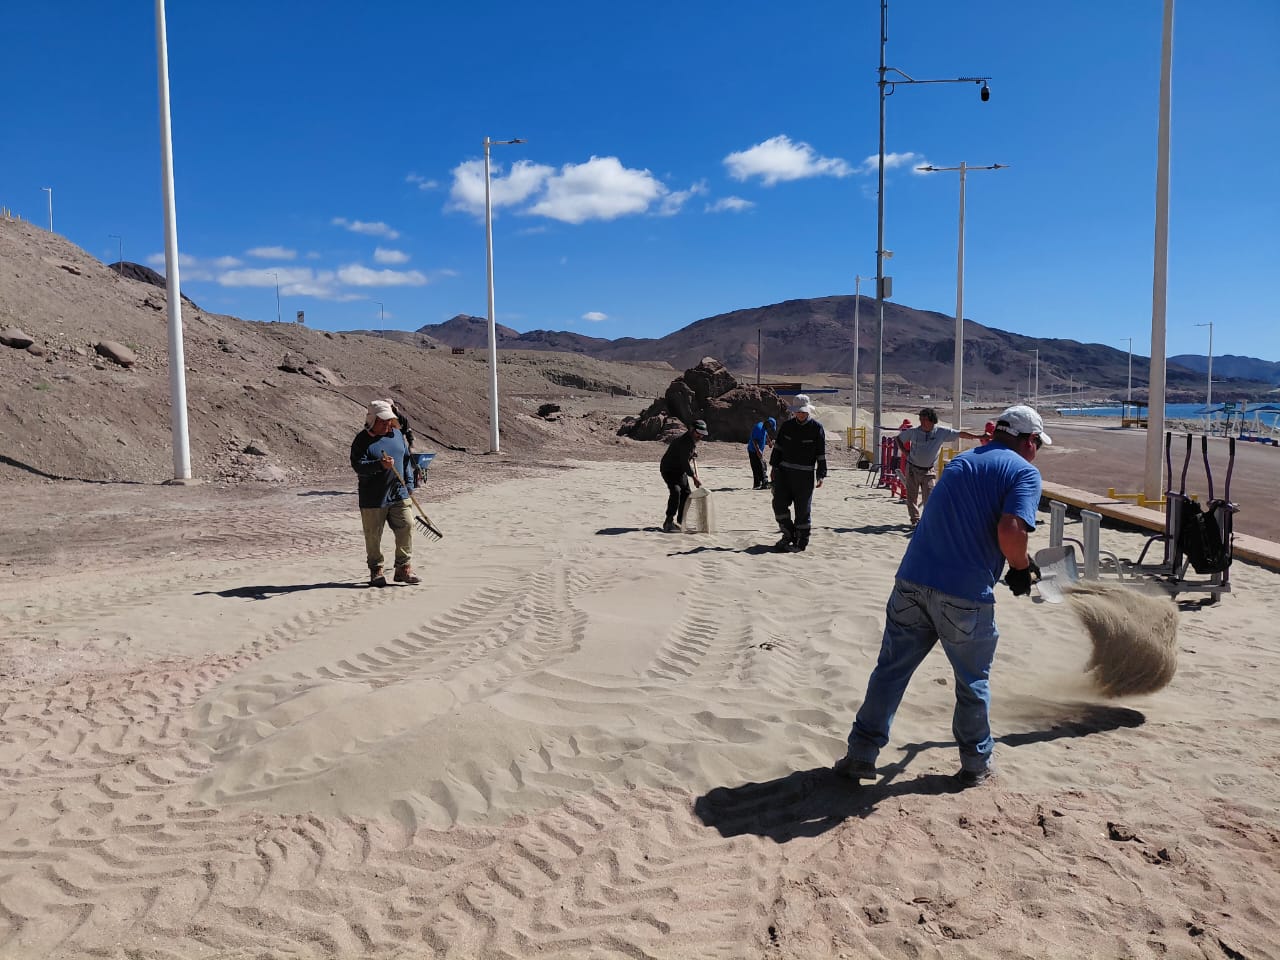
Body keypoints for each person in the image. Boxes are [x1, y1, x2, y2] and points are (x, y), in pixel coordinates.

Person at [835, 404, 1051, 788]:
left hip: (912, 579)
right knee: (972, 681)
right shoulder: (1024, 472)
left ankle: (860, 755)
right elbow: (1011, 529)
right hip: (964, 595)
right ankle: (975, 764)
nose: (1037, 451)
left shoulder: (961, 463)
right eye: (1038, 444)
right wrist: (1020, 568)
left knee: (890, 671)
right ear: (1028, 440)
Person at [350, 399, 420, 586]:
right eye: (383, 421)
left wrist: (410, 483)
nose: (387, 424)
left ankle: (403, 569)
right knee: (373, 536)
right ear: (372, 420)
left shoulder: (397, 435)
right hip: (373, 497)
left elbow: (405, 460)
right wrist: (379, 465)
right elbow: (358, 466)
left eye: (389, 420)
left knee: (407, 525)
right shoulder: (361, 441)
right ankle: (376, 571)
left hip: (399, 492)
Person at [896, 407, 984, 526]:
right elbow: (899, 438)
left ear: (932, 420)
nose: (922, 423)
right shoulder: (914, 432)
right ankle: (915, 520)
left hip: (928, 471)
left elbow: (960, 434)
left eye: (925, 420)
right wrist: (905, 452)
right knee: (912, 497)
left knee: (931, 497)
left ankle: (928, 520)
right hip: (912, 468)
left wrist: (979, 437)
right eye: (920, 420)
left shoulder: (941, 432)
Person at [769, 395, 827, 552]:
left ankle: (801, 543)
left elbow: (821, 454)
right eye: (798, 412)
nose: (800, 415)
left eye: (803, 412)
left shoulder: (817, 428)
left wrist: (821, 474)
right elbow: (778, 448)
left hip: (805, 477)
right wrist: (773, 469)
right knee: (778, 504)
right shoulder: (787, 426)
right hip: (784, 474)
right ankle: (788, 535)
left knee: (802, 511)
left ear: (808, 411)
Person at [660, 419, 708, 532]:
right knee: (676, 492)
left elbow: (686, 455)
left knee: (686, 494)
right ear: (691, 430)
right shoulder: (684, 441)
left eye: (702, 434)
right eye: (698, 433)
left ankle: (681, 522)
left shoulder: (692, 440)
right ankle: (668, 522)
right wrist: (694, 478)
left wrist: (692, 453)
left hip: (680, 471)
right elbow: (684, 462)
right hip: (669, 470)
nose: (700, 436)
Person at [747, 417, 777, 490]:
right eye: (771, 427)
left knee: (760, 466)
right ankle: (763, 483)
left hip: (757, 450)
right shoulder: (759, 428)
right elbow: (754, 440)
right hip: (753, 450)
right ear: (768, 424)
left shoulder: (764, 427)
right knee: (759, 466)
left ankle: (758, 484)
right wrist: (758, 451)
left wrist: (769, 441)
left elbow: (766, 434)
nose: (770, 429)